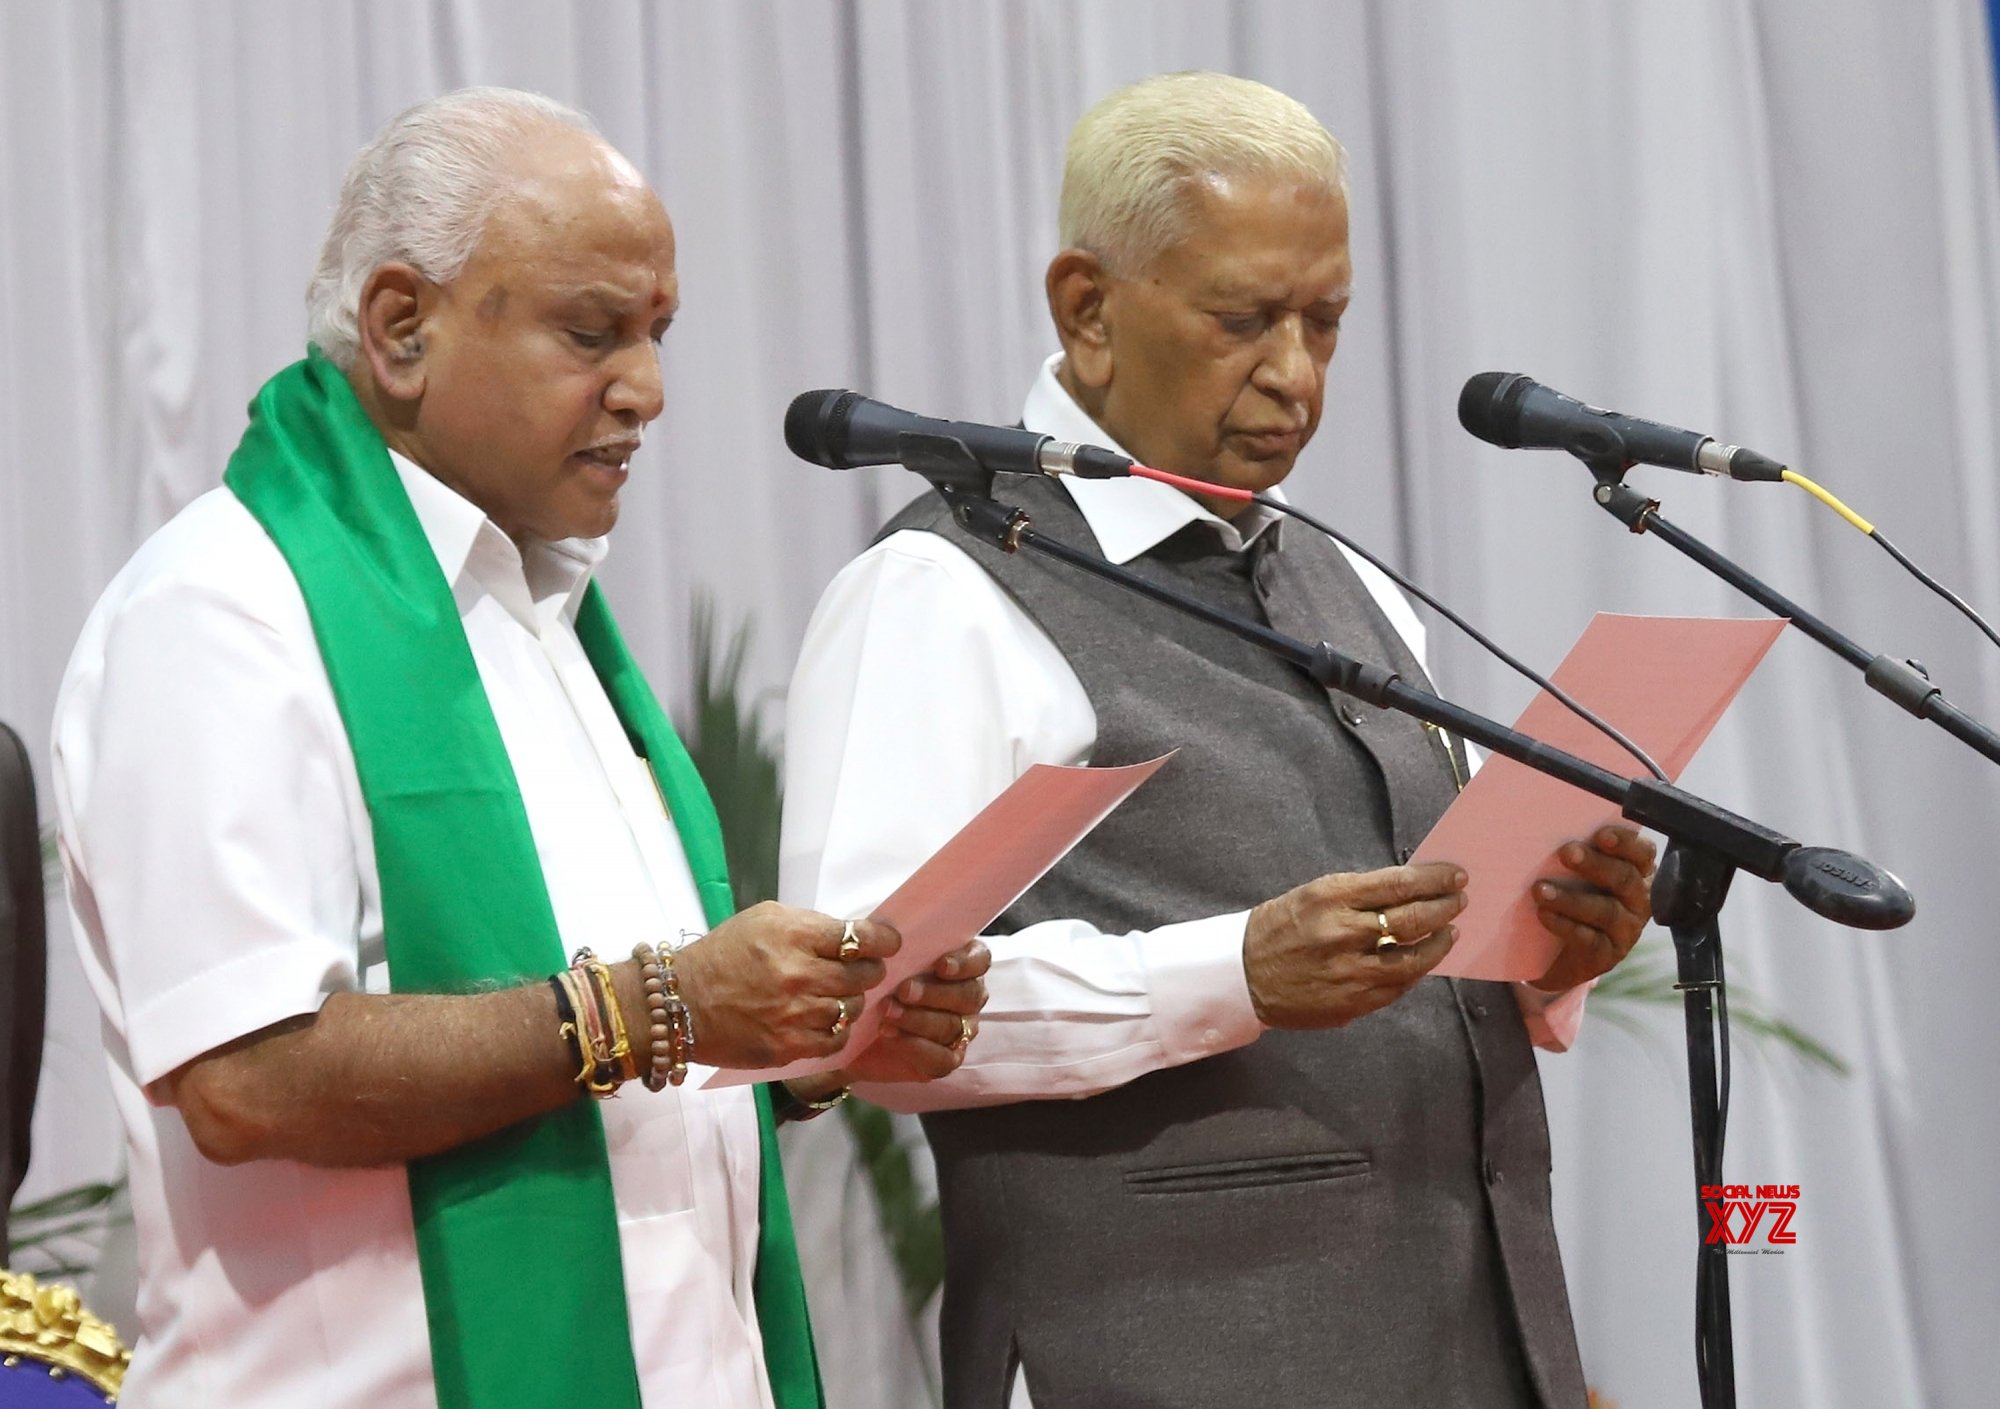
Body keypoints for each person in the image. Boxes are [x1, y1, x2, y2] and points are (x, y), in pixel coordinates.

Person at [51, 87, 988, 1409]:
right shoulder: (221, 610)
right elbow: (248, 1078)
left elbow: (612, 1064)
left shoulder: (550, 619)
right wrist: (658, 1007)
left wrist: (809, 1046)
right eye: (591, 331)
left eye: (657, 333)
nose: (650, 389)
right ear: (400, 326)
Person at [780, 72, 1655, 1408]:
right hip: (1143, 1353)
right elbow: (854, 1014)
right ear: (1086, 309)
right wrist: (1233, 968)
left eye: (1326, 322)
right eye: (1246, 318)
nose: (1296, 376)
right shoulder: (938, 592)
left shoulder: (1346, 578)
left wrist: (1553, 952)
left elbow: (1443, 946)